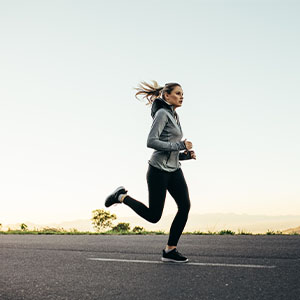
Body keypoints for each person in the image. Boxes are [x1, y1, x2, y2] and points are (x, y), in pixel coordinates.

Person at [104, 80, 196, 263]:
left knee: (184, 206)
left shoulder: (174, 116)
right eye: (177, 93)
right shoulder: (162, 114)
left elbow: (169, 148)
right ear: (166, 96)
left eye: (183, 94)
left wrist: (184, 155)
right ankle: (121, 197)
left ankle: (170, 250)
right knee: (154, 216)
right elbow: (151, 141)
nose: (181, 97)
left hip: (174, 169)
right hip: (158, 171)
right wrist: (180, 145)